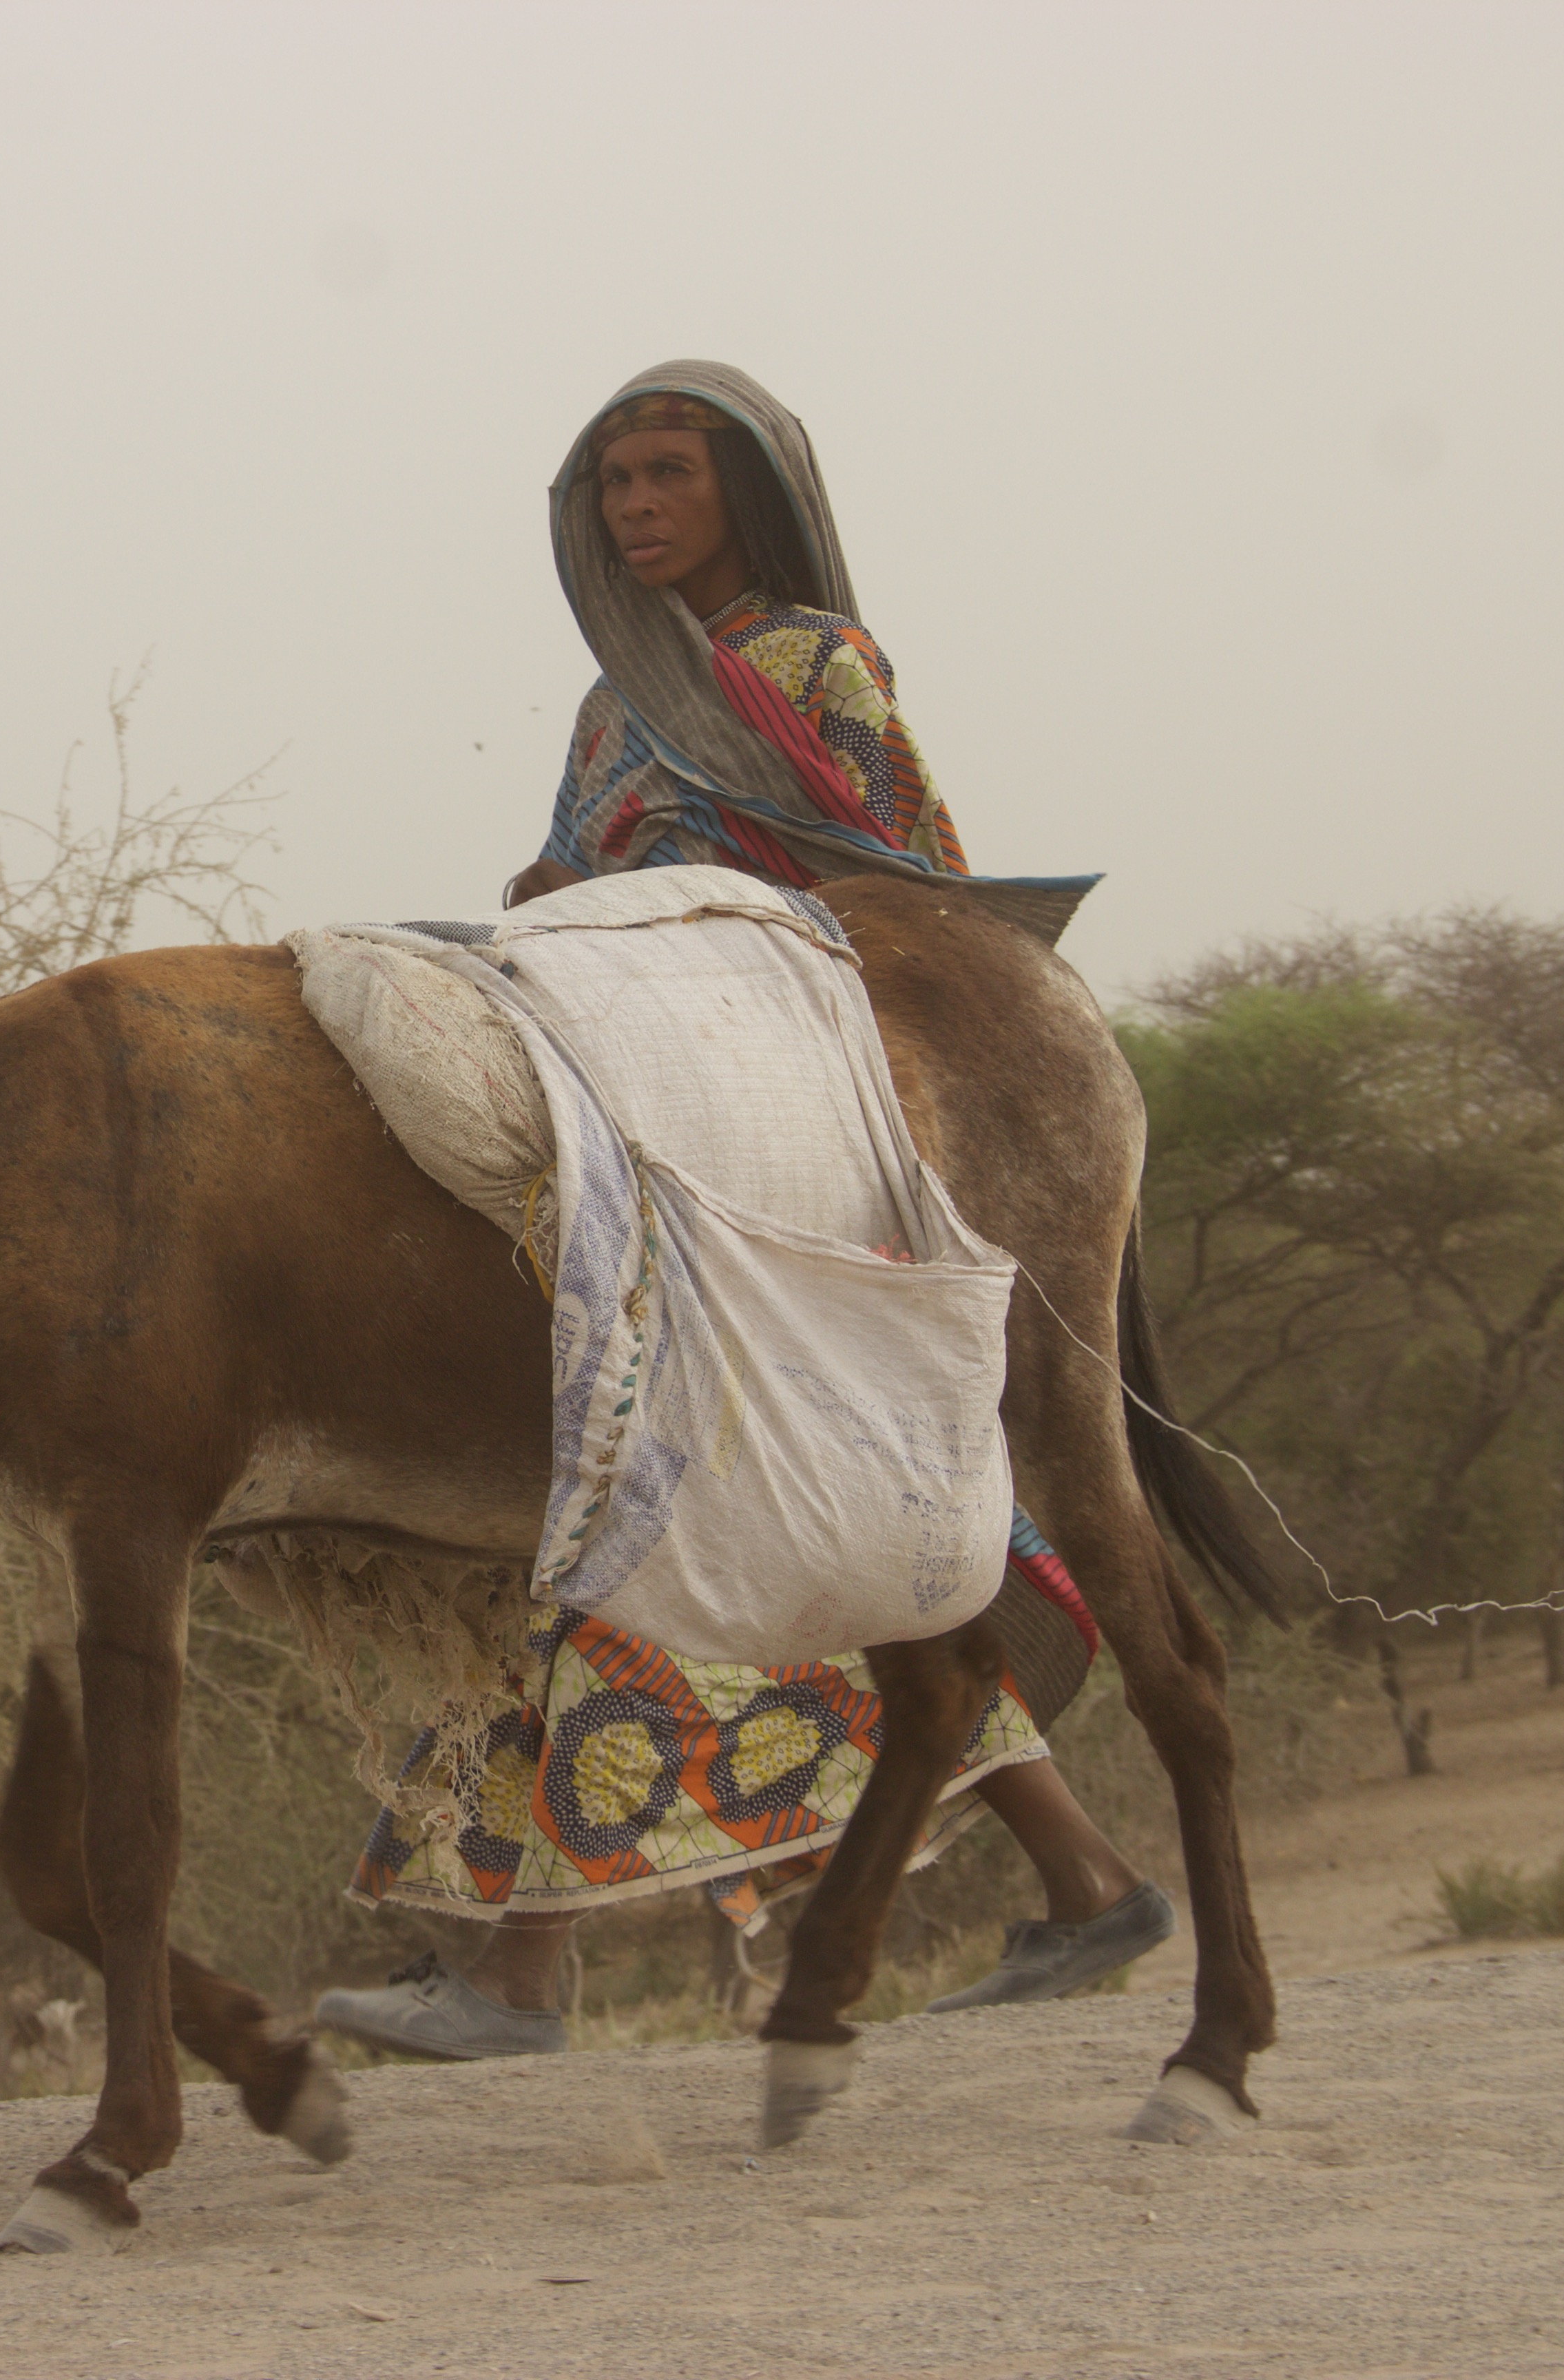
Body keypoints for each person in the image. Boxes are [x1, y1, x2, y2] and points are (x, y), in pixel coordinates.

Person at [315, 363, 1171, 2060]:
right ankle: (1080, 1883)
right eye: (614, 483)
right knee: (733, 1535)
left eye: (665, 476)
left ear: (748, 494)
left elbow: (908, 905)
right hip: (644, 1120)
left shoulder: (813, 667)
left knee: (667, 1518)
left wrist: (670, 893)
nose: (637, 507)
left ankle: (519, 1971)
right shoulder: (606, 698)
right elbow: (589, 869)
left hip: (780, 1142)